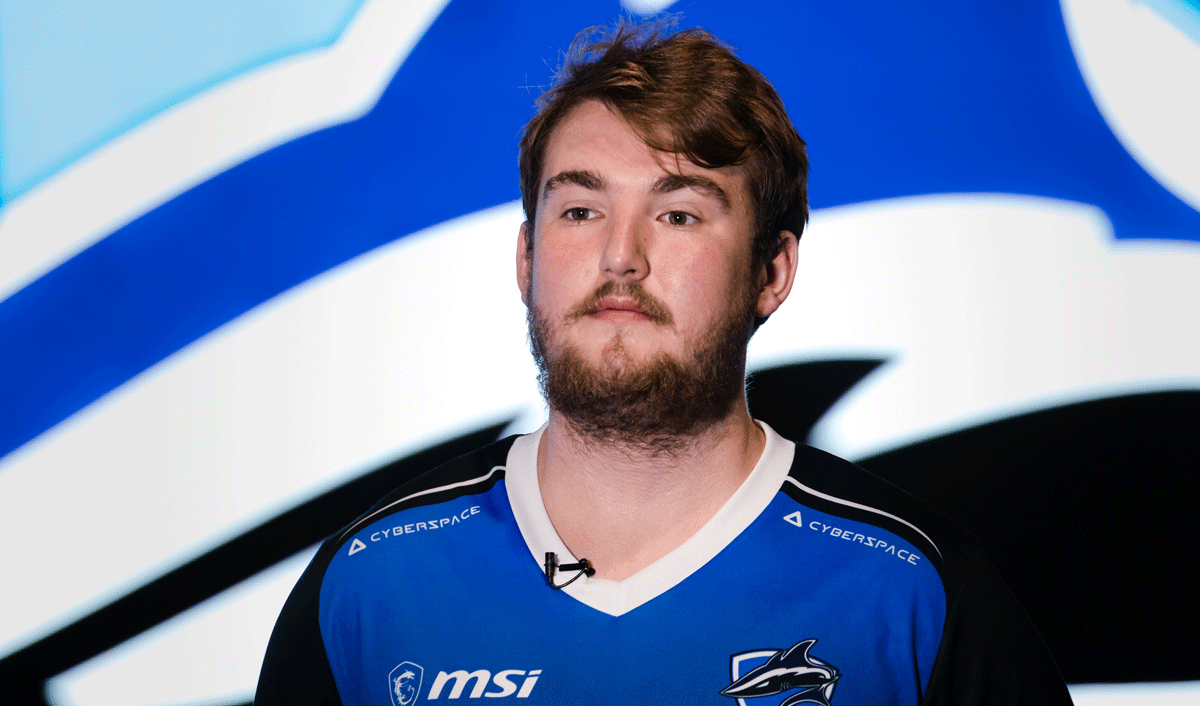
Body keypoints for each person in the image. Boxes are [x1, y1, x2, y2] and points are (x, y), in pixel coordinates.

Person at [256, 21, 1072, 706]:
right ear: (527, 258)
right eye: (581, 210)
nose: (621, 256)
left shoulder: (917, 595)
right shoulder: (370, 585)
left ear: (771, 271)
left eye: (678, 215)